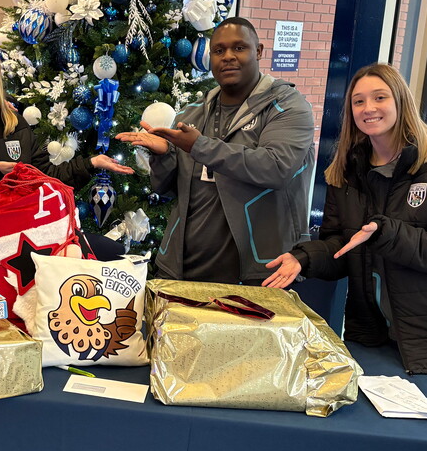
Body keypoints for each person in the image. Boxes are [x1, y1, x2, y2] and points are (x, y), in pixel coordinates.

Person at [263, 63, 427, 394]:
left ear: (400, 101)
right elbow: (340, 246)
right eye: (358, 101)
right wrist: (304, 258)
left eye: (379, 97)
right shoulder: (345, 171)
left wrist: (384, 232)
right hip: (375, 338)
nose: (368, 108)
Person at [116, 16, 315, 286]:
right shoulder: (192, 113)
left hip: (258, 273)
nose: (228, 57)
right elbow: (167, 189)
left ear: (258, 51)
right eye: (219, 51)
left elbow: (276, 167)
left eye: (239, 48)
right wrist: (163, 157)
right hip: (183, 269)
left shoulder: (288, 107)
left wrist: (199, 146)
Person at [0, 39, 133, 253]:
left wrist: (90, 163)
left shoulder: (14, 122)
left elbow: (45, 177)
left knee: (112, 252)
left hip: (23, 238)